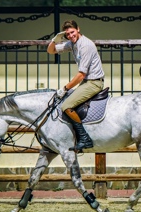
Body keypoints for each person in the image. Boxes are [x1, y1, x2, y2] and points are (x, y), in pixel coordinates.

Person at [47, 20, 104, 153]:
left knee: (66, 106)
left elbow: (81, 75)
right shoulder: (73, 43)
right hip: (87, 82)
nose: (71, 35)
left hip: (94, 82)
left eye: (72, 32)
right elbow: (51, 51)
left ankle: (84, 139)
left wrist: (65, 88)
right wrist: (55, 39)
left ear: (78, 29)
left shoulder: (85, 45)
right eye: (67, 34)